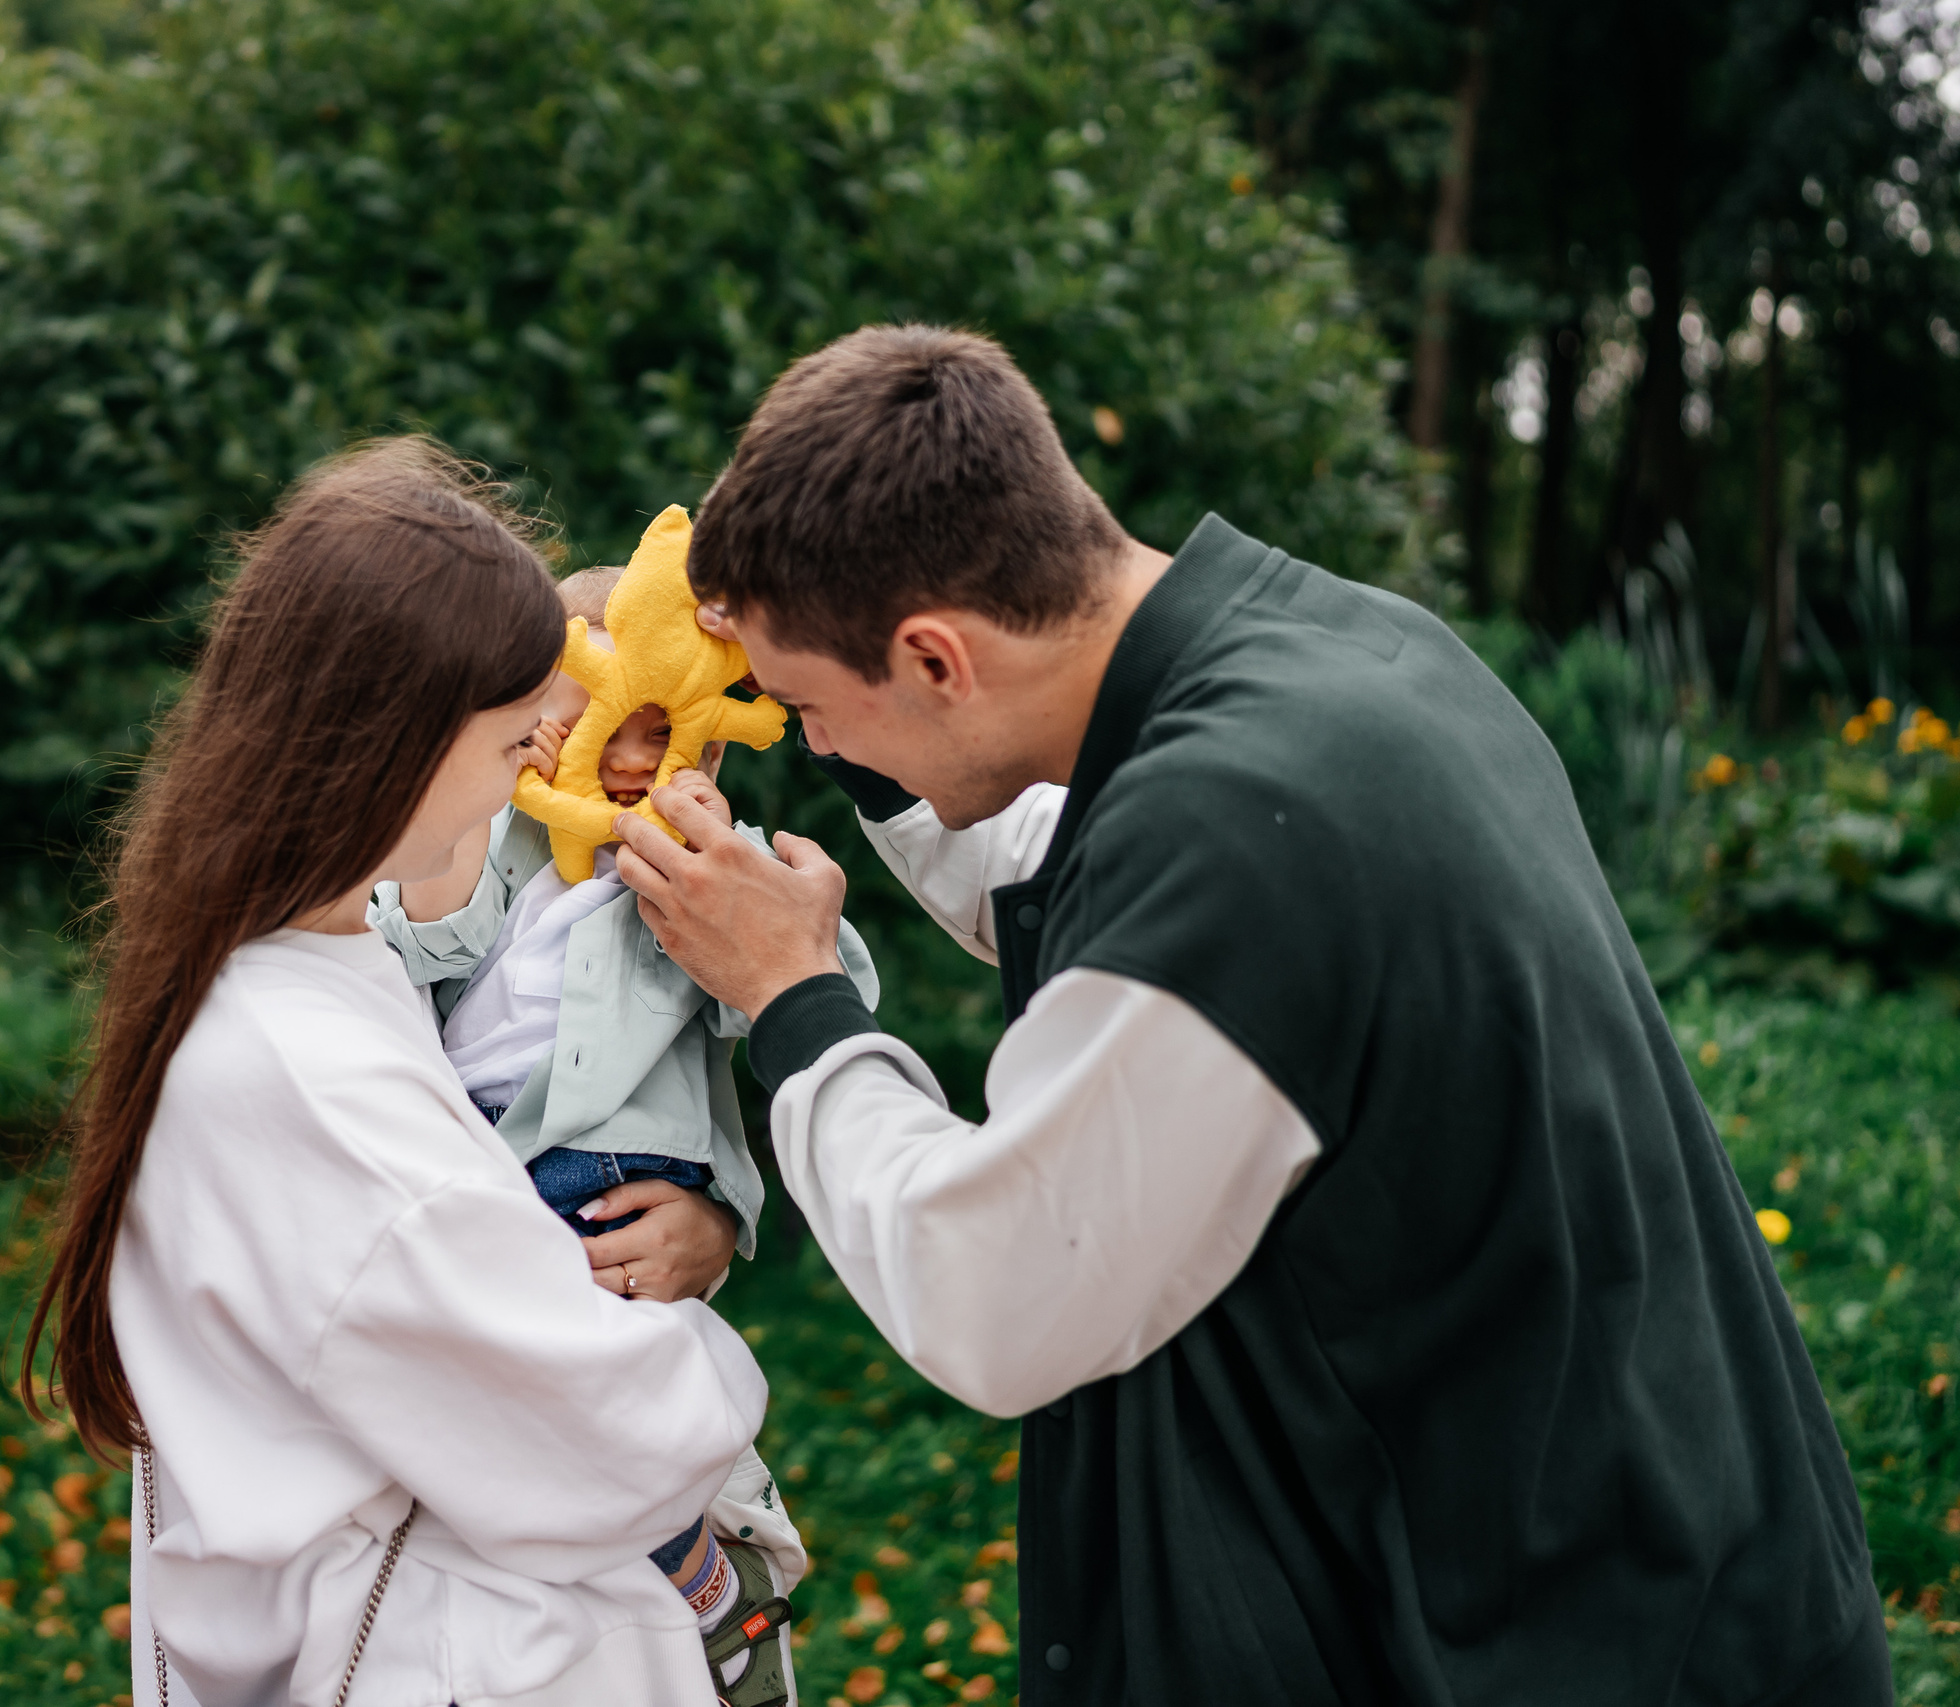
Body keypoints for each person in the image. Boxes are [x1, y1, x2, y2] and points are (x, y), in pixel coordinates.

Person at [610, 326, 1890, 1704]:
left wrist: (791, 1000)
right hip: (1649, 1543)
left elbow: (992, 1284)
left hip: (1571, 1636)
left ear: (936, 655)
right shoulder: (1335, 659)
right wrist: (874, 789)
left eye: (807, 705)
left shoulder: (1233, 840)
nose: (808, 743)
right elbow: (1074, 885)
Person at [20, 437, 765, 1707]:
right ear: (393, 744)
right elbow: (617, 1438)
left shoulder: (295, 958)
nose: (545, 755)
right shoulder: (313, 1088)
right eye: (512, 731)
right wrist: (700, 1359)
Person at [374, 560, 882, 1707]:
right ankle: (696, 1560)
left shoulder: (701, 867)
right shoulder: (484, 841)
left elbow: (805, 1005)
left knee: (611, 1386)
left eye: (677, 730)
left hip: (626, 1175)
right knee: (562, 1404)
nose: (642, 755)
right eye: (606, 716)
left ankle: (707, 1572)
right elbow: (423, 953)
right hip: (496, 1177)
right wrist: (493, 812)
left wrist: (785, 902)